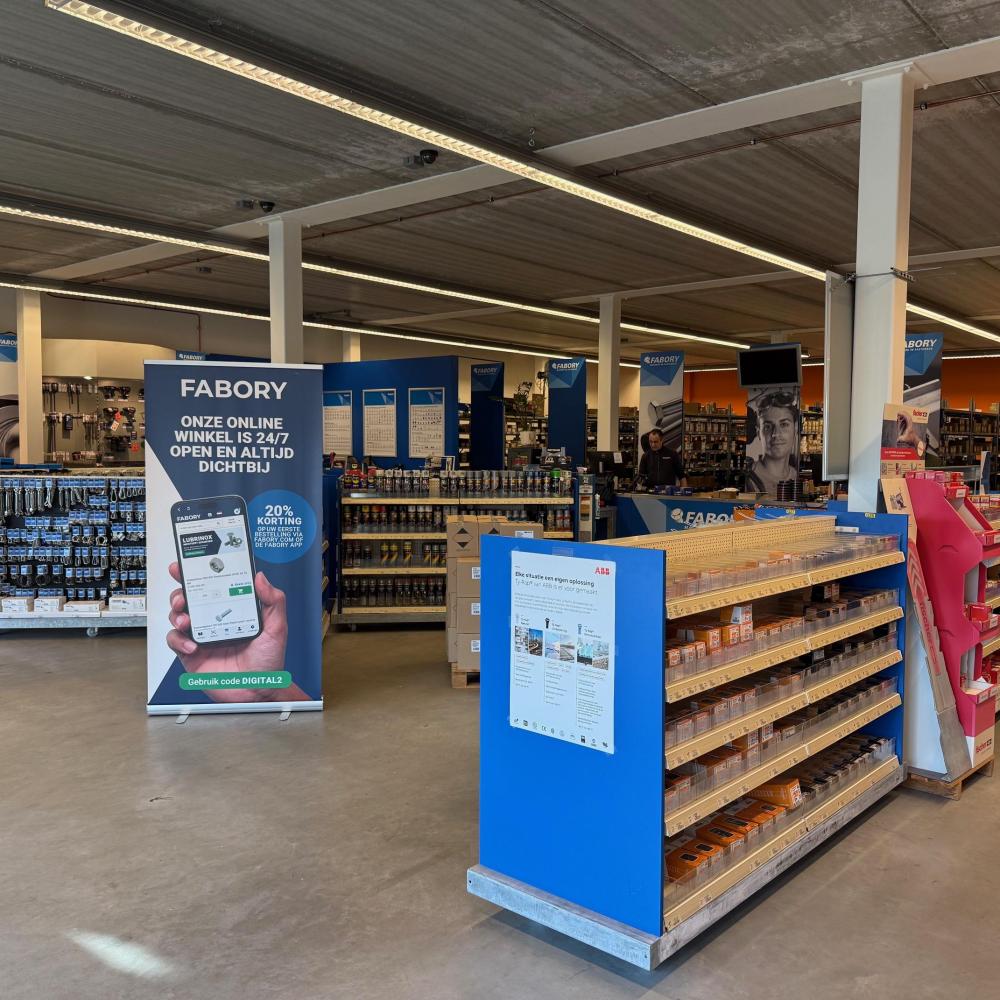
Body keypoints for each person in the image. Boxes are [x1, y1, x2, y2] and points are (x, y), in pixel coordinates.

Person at [746, 391, 798, 496]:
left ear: (795, 429)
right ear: (758, 433)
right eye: (768, 427)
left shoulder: (797, 476)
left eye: (784, 424)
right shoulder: (749, 478)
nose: (776, 434)